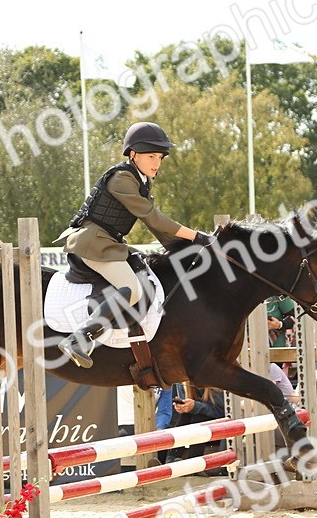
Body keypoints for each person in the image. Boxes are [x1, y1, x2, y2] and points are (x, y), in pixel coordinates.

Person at [56, 122, 211, 368]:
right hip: (92, 244)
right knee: (131, 289)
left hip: (110, 243)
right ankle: (79, 338)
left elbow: (156, 227)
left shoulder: (141, 181)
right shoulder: (121, 179)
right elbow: (154, 217)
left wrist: (184, 250)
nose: (156, 163)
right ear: (133, 154)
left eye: (159, 157)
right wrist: (197, 237)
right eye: (151, 156)